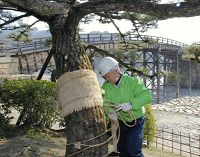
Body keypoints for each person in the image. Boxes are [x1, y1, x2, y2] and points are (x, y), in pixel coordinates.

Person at [97, 56, 152, 157]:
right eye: (105, 77)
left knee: (133, 152)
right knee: (122, 150)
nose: (106, 79)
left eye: (107, 76)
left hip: (136, 121)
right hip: (121, 122)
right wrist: (110, 112)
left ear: (116, 71)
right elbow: (106, 103)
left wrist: (131, 104)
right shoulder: (107, 86)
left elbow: (147, 96)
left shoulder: (133, 82)